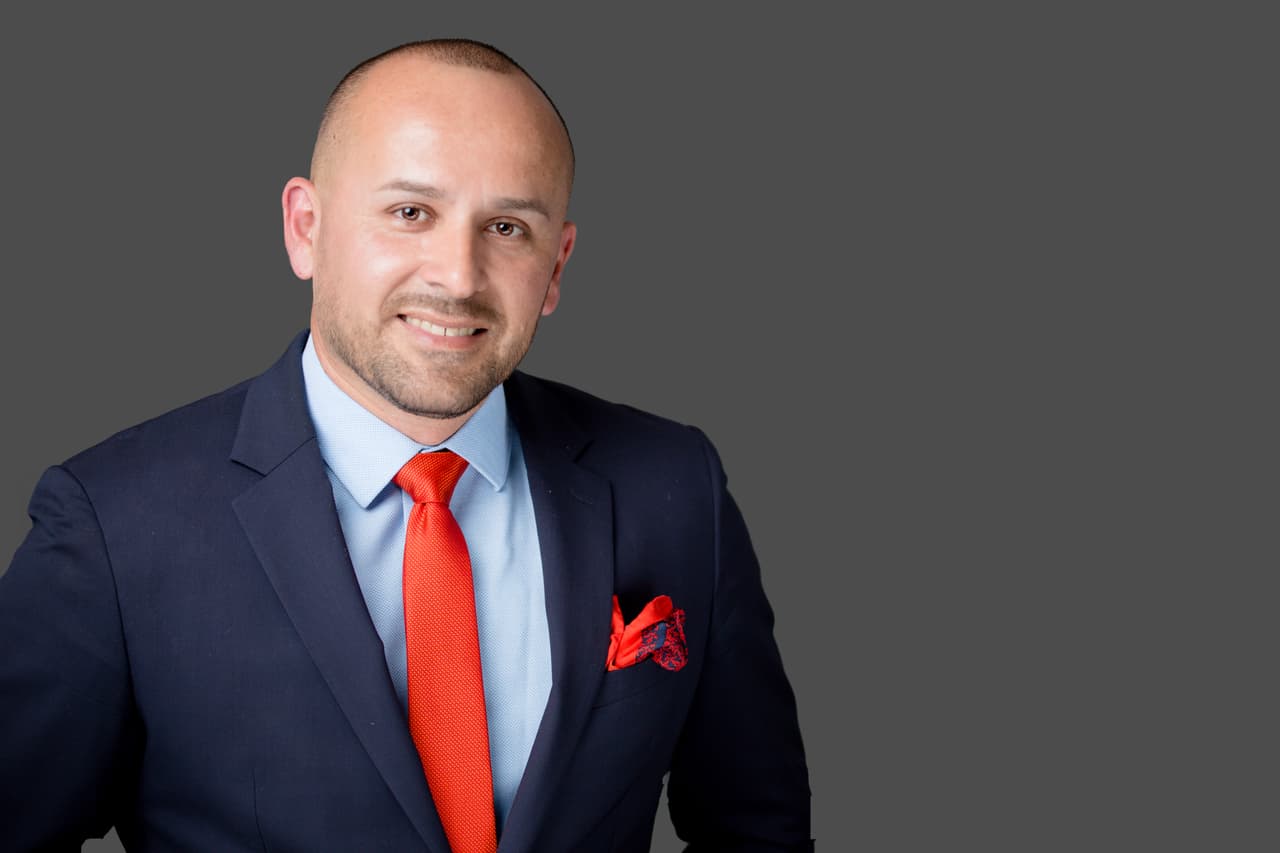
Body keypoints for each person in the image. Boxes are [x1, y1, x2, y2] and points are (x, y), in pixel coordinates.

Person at [0, 39, 811, 852]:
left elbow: (759, 830)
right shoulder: (114, 527)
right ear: (305, 229)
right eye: (410, 213)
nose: (458, 276)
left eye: (507, 227)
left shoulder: (674, 489)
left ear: (557, 265)